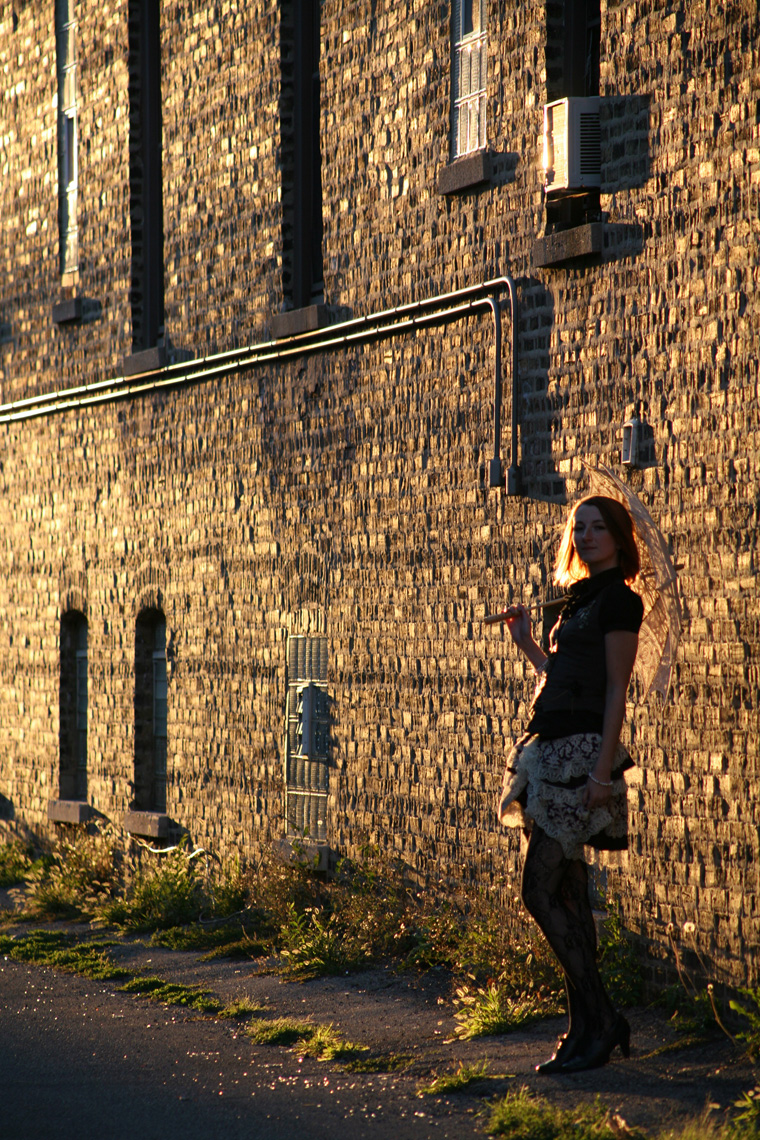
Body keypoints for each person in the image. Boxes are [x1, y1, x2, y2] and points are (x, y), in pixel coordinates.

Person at [498, 495, 644, 1074]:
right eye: (577, 527)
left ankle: (601, 1017)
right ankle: (585, 1027)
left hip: (583, 757)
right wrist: (529, 643)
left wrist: (602, 774)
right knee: (566, 897)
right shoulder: (579, 597)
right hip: (549, 750)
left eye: (597, 528)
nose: (584, 536)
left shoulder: (620, 602)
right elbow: (566, 678)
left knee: (538, 890)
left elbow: (614, 690)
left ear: (617, 537)